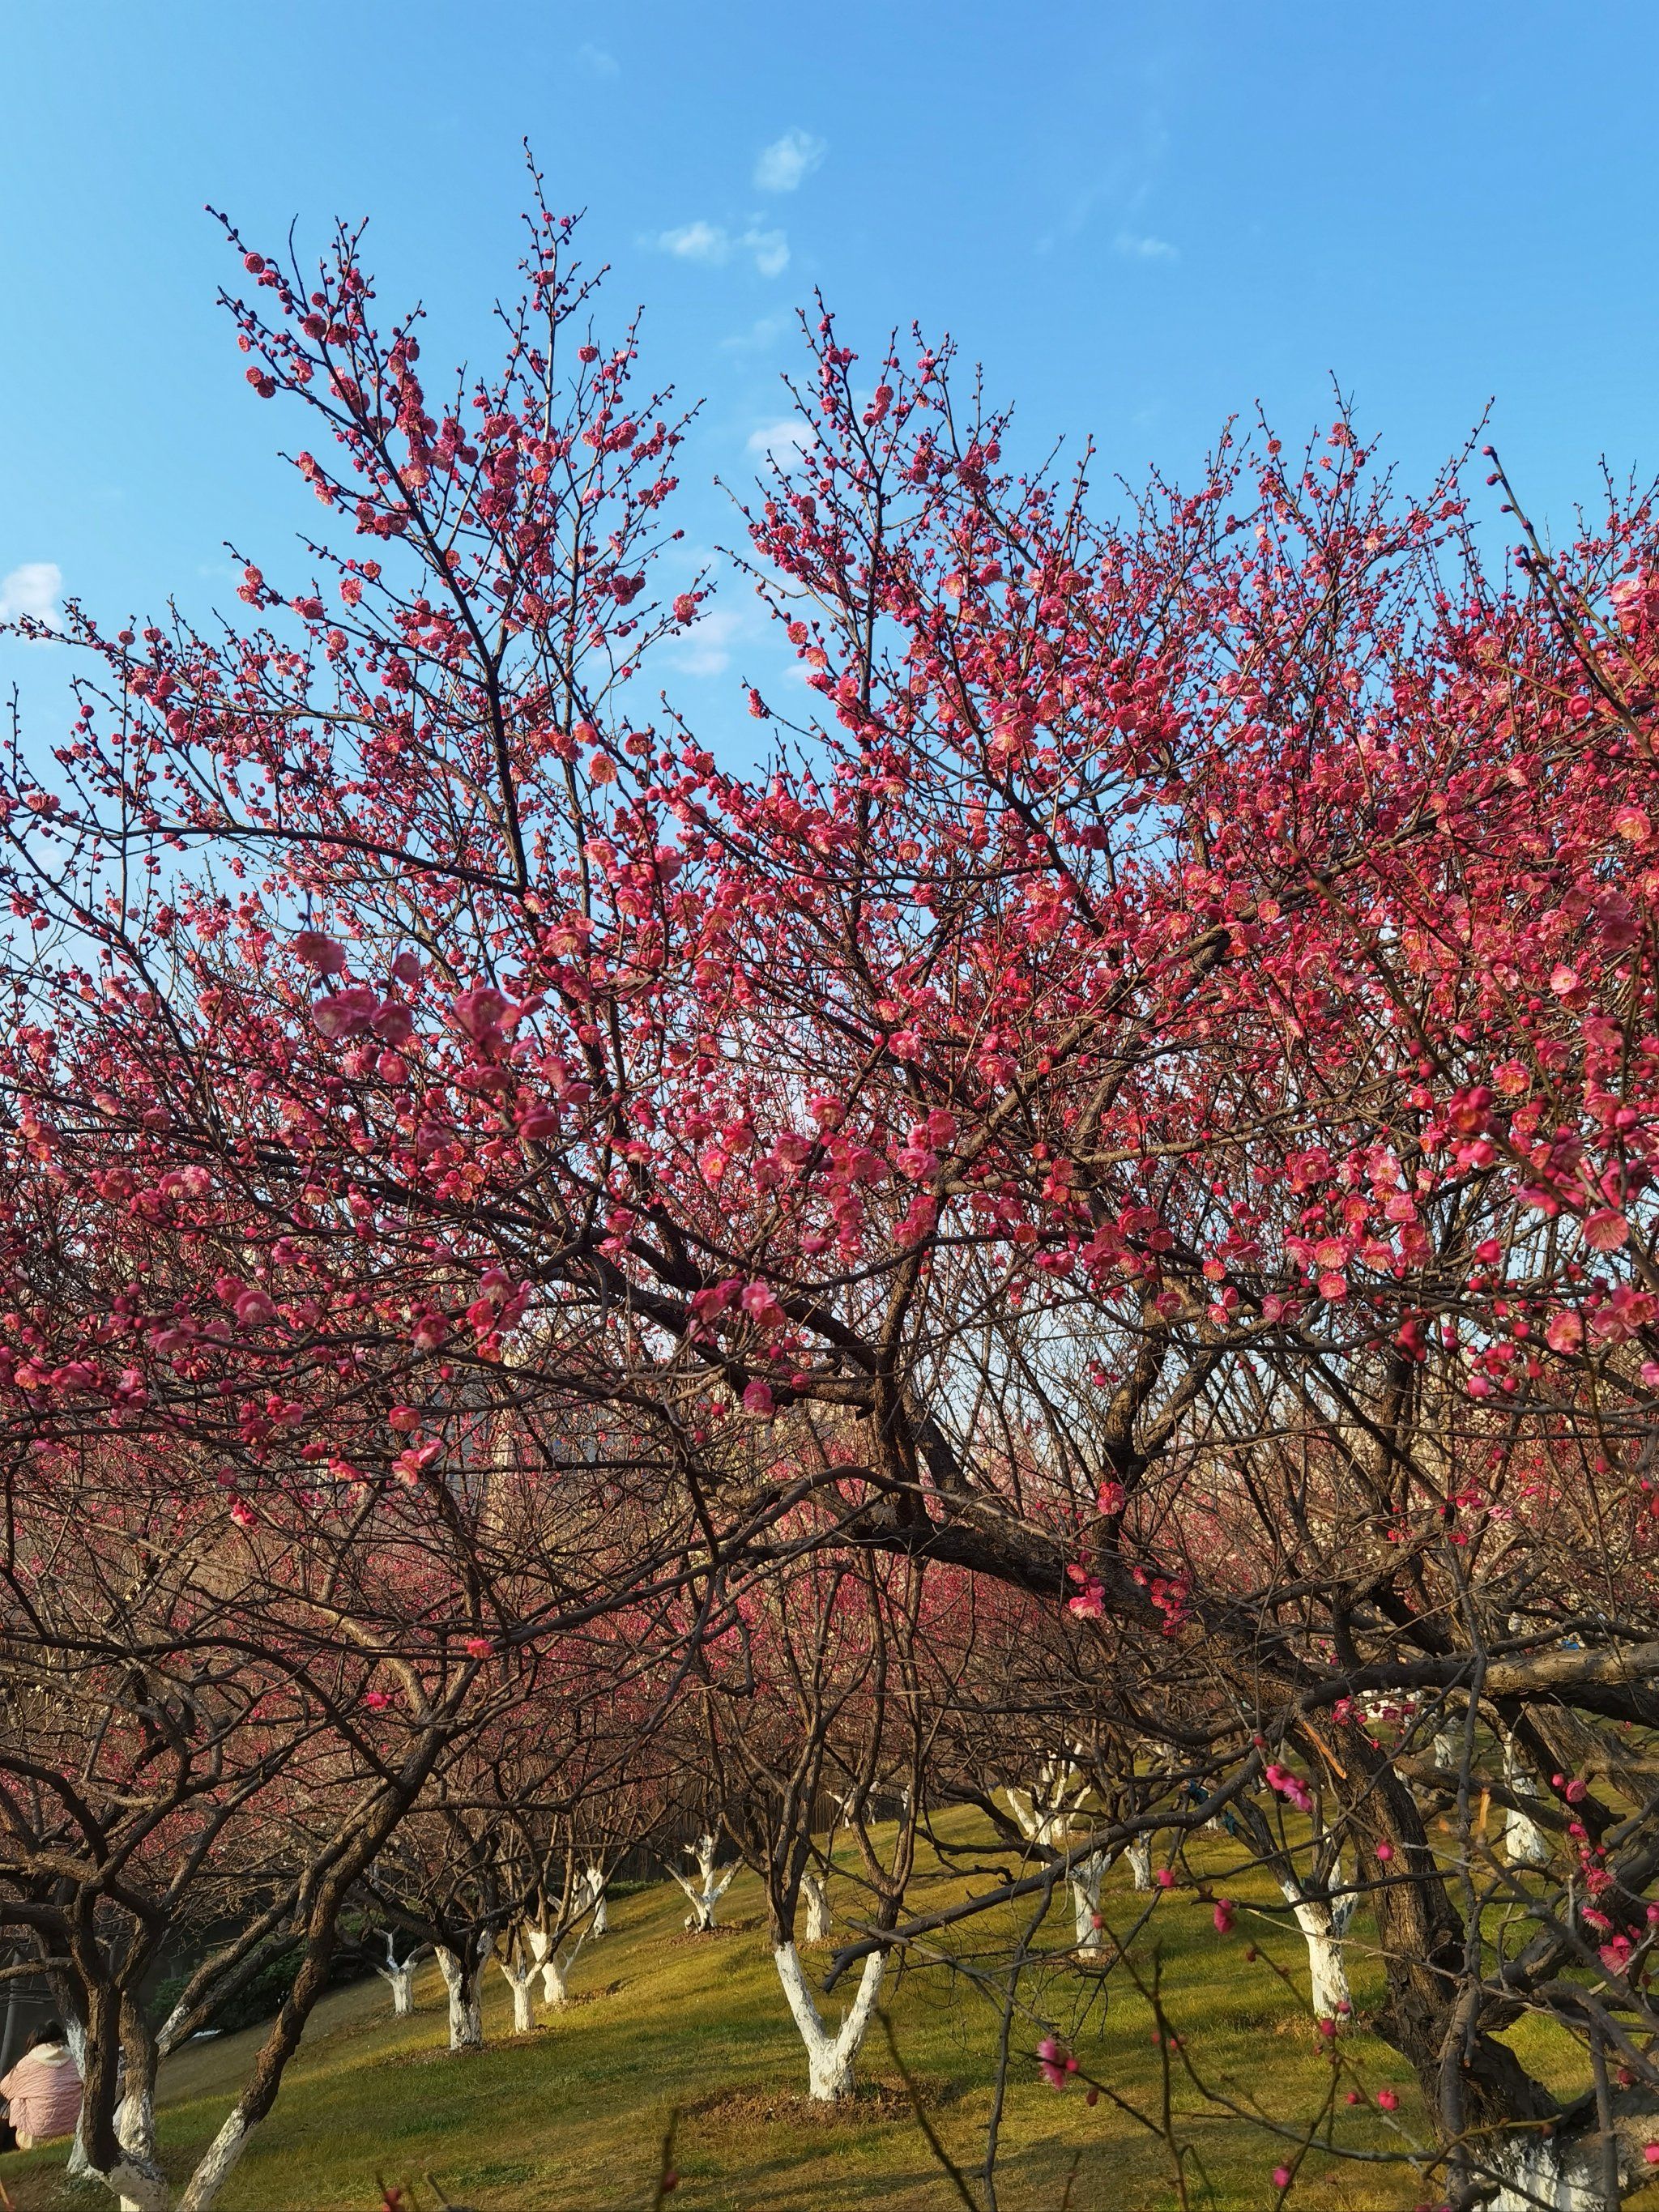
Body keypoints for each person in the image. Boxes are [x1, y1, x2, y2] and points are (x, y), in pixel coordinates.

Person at [0, 2020, 83, 2149]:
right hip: (76, 2129)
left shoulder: (27, 2063)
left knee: (17, 2098)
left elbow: (4, 2088)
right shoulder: (76, 2057)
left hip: (37, 2138)